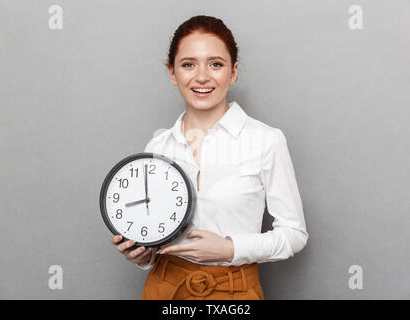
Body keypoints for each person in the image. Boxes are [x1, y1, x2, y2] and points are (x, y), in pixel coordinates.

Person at [111, 15, 308, 300]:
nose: (202, 76)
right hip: (165, 290)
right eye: (188, 64)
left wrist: (231, 249)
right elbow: (155, 232)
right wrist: (144, 256)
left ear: (234, 71)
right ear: (172, 73)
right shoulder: (159, 146)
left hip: (236, 292)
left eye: (216, 64)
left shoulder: (266, 141)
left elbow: (294, 234)